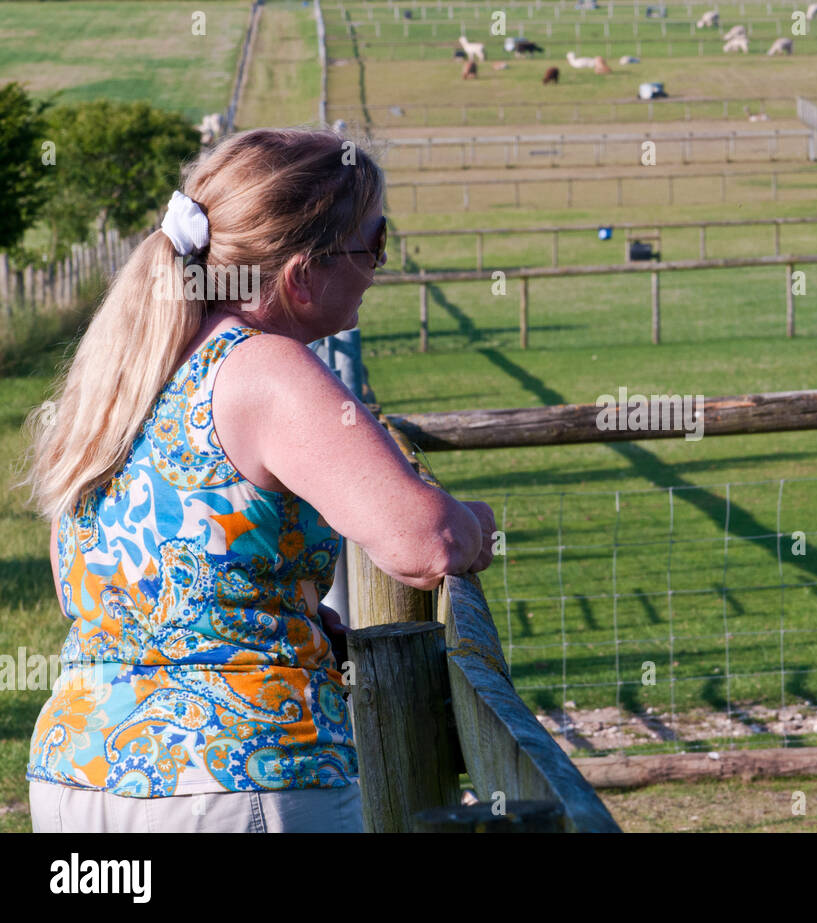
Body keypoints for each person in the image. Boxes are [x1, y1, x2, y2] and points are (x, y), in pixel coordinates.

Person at [17, 128, 496, 832]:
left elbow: (81, 587)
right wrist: (476, 522)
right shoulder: (267, 369)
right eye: (375, 243)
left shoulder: (128, 369)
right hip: (238, 779)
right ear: (301, 276)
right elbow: (424, 542)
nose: (377, 268)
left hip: (74, 777)